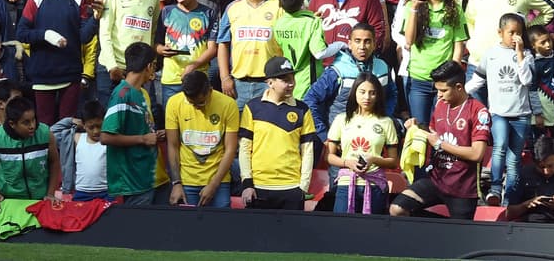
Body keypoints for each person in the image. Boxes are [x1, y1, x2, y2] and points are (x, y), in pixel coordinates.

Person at [389, 60, 490, 220]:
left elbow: (477, 154)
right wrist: (416, 129)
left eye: (443, 90)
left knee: (459, 239)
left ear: (459, 87)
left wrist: (441, 144)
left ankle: (447, 229)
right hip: (436, 181)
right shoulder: (441, 105)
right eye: (437, 90)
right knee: (397, 209)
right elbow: (433, 134)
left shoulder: (478, 111)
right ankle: (440, 228)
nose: (439, 95)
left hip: (462, 189)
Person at [17, 0, 99, 124]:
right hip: (43, 76)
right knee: (46, 126)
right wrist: (45, 35)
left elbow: (83, 37)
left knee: (67, 126)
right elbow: (22, 33)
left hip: (71, 75)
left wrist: (96, 18)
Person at [467, 13, 534, 206]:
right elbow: (477, 80)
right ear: (500, 32)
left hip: (520, 115)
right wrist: (461, 93)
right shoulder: (491, 54)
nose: (515, 37)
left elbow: (527, 81)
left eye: (519, 33)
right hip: (498, 113)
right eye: (511, 32)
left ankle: (509, 198)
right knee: (499, 146)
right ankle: (495, 188)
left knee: (514, 160)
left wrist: (520, 54)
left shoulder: (527, 55)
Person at [239, 56, 319, 210]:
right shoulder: (253, 107)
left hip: (291, 188)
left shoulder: (303, 109)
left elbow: (308, 151)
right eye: (285, 80)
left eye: (292, 78)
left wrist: (303, 186)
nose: (291, 84)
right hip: (258, 187)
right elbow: (244, 149)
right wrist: (247, 183)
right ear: (270, 83)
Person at [303, 22, 397, 142]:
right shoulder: (337, 70)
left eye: (367, 41)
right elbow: (310, 100)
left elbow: (392, 95)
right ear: (350, 44)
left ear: (374, 44)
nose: (362, 46)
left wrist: (385, 117)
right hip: (341, 140)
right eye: (357, 41)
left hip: (374, 138)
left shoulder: (383, 67)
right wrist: (323, 135)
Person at [326, 71, 400, 214]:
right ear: (354, 93)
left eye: (372, 93)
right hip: (346, 183)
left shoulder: (386, 122)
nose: (367, 97)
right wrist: (348, 163)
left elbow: (393, 161)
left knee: (372, 231)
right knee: (340, 228)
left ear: (378, 95)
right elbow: (329, 156)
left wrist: (373, 159)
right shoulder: (341, 119)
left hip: (374, 184)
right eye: (362, 92)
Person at [164, 71, 239, 208]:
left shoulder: (228, 104)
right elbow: (172, 146)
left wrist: (214, 184)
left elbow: (230, 149)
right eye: (191, 103)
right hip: (187, 181)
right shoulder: (174, 103)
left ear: (210, 90)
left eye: (200, 103)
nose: (196, 107)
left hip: (219, 180)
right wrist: (176, 183)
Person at [100, 41, 161, 206]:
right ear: (148, 66)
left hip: (144, 178)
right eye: (154, 65)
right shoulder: (122, 94)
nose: (154, 71)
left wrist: (153, 136)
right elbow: (105, 136)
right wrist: (143, 139)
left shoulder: (139, 94)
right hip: (132, 184)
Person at [0, 96, 61, 209]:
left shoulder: (45, 134)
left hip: (39, 199)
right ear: (12, 124)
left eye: (33, 119)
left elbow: (54, 162)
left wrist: (50, 194)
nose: (32, 126)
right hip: (9, 200)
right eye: (26, 123)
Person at [505, 135, 554, 225]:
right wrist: (527, 205)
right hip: (531, 226)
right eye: (541, 167)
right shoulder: (525, 173)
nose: (546, 171)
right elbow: (509, 213)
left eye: (550, 166)